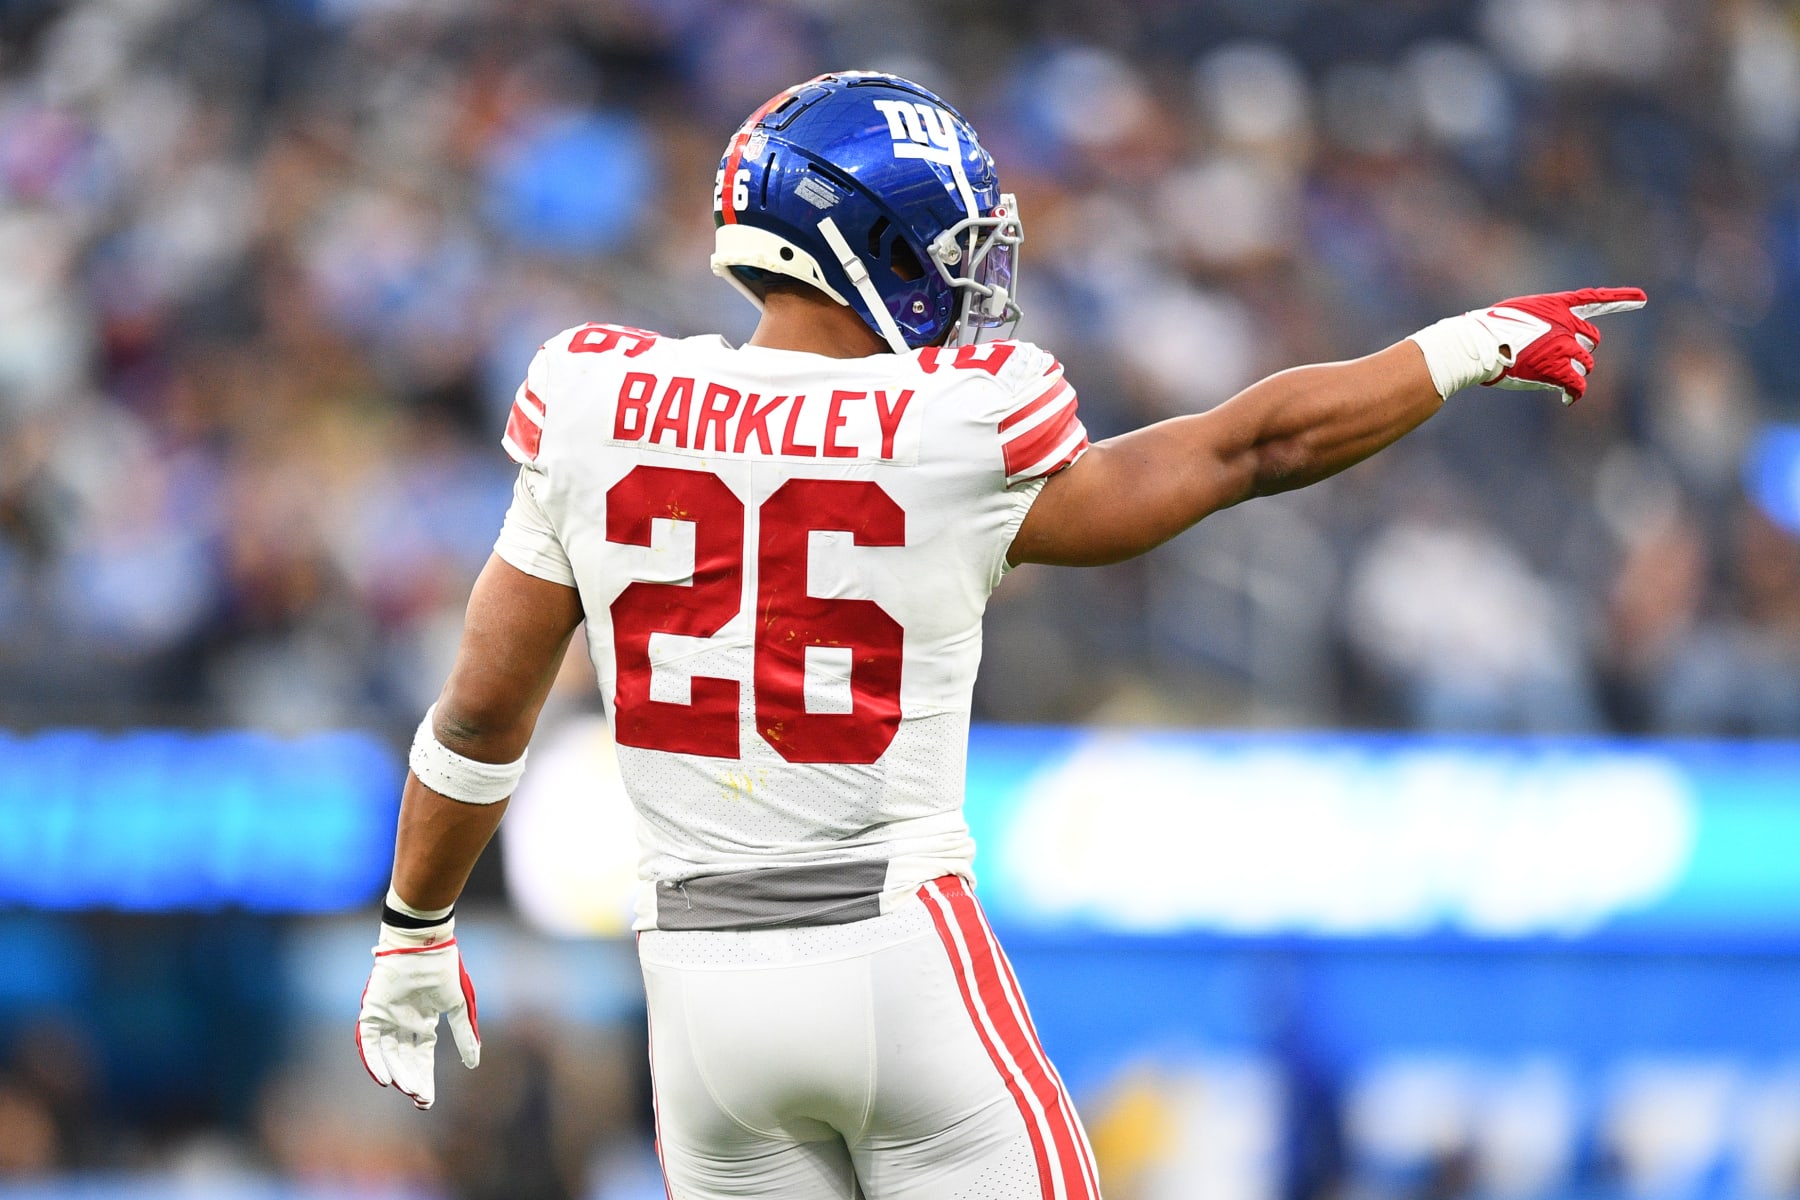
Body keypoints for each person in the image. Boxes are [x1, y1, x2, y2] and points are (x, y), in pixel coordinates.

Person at [355, 70, 1645, 1198]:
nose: (970, 275)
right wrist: (1464, 345)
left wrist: (414, 927)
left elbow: (477, 719)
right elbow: (1250, 447)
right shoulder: (954, 426)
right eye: (947, 242)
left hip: (697, 996)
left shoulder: (597, 401)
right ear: (869, 240)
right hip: (896, 959)